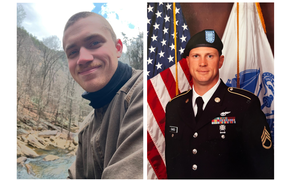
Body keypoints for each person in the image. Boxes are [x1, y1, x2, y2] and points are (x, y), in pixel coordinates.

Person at [165, 29, 274, 179]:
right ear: (188, 61)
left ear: (220, 61)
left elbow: (264, 169)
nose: (202, 63)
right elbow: (173, 168)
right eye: (196, 56)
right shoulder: (174, 107)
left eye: (210, 56)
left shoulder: (244, 105)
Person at [62, 11, 143, 179]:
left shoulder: (147, 91)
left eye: (94, 43)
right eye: (73, 52)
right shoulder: (86, 127)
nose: (82, 58)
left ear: (118, 48)